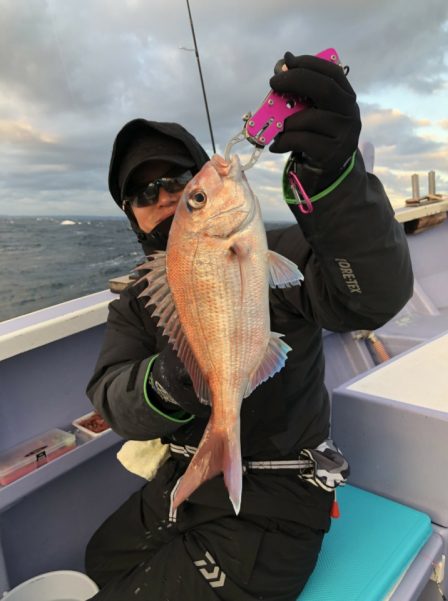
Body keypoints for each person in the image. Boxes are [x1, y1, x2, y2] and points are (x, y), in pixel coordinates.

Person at [85, 52, 413, 600]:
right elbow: (110, 395)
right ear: (132, 215)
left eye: (179, 182)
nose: (164, 198)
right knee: (101, 559)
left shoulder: (277, 253)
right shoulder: (136, 301)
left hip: (275, 506)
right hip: (182, 485)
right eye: (144, 193)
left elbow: (368, 299)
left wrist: (334, 181)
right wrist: (177, 378)